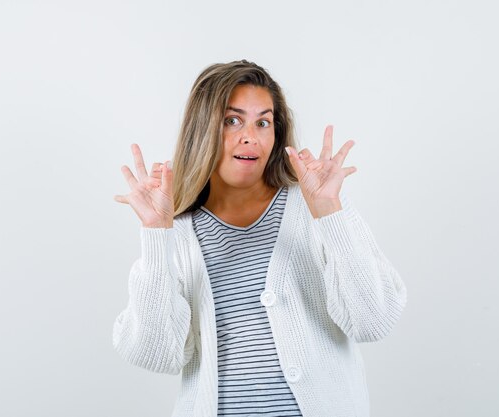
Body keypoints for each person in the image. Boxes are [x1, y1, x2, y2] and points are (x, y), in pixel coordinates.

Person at [112, 59, 407, 417]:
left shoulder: (317, 206)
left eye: (263, 122)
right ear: (202, 129)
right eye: (232, 120)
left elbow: (373, 321)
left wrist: (331, 213)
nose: (250, 135)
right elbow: (155, 353)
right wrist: (157, 236)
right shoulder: (178, 229)